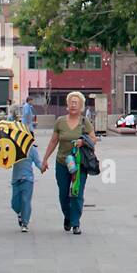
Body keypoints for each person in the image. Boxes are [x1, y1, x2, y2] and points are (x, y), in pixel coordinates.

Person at [39, 91, 96, 234]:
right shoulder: (60, 121)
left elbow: (94, 139)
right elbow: (53, 141)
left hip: (79, 164)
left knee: (77, 193)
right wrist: (45, 159)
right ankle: (68, 216)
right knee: (63, 194)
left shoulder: (85, 122)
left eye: (76, 102)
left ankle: (76, 222)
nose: (73, 104)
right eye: (71, 102)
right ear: (67, 105)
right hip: (62, 163)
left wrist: (83, 142)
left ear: (81, 106)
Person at [10, 150, 40, 232]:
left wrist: (42, 167)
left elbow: (37, 162)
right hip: (16, 179)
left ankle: (25, 223)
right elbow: (8, 160)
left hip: (28, 179)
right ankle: (20, 213)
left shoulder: (33, 150)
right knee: (14, 203)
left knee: (25, 200)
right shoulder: (14, 148)